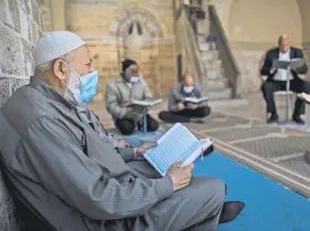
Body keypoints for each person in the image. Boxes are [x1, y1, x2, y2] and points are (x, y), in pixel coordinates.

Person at [0, 31, 245, 231]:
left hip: (99, 186)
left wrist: (135, 153)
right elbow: (99, 198)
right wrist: (168, 184)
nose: (92, 71)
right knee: (213, 188)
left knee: (153, 164)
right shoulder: (42, 122)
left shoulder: (47, 99)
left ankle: (196, 211)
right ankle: (202, 211)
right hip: (100, 221)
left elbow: (90, 146)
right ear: (61, 70)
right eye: (88, 65)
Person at [261, 34, 310, 124]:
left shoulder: (297, 52)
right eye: (282, 45)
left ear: (290, 44)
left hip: (292, 80)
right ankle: (273, 114)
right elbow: (263, 71)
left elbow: (304, 70)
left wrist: (297, 67)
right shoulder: (271, 53)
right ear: (278, 44)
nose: (284, 47)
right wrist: (272, 69)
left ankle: (296, 114)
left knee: (306, 86)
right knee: (265, 87)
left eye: (286, 45)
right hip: (276, 81)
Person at [105, 59, 159, 135]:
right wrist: (126, 113)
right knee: (127, 129)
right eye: (132, 72)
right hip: (123, 116)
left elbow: (148, 98)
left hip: (140, 114)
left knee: (154, 125)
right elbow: (111, 105)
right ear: (123, 72)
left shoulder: (142, 82)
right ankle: (133, 125)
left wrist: (146, 107)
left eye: (137, 71)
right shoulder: (112, 85)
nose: (136, 74)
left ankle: (138, 123)